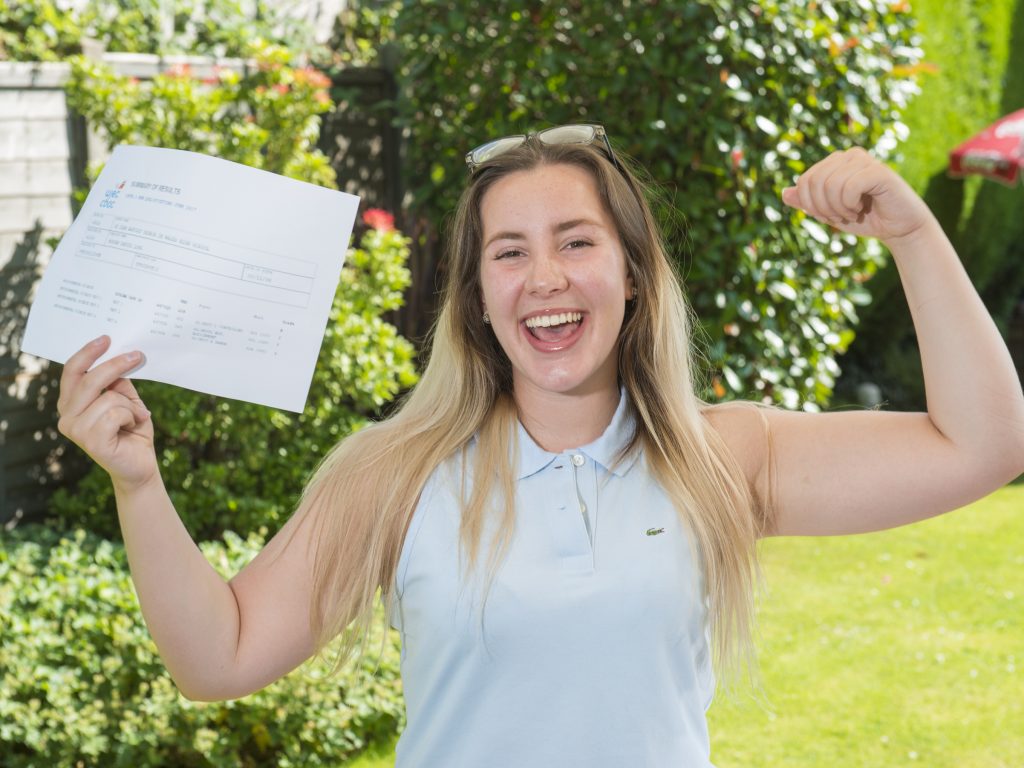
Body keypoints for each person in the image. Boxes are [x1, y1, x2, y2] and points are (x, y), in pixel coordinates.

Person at [56, 124, 1024, 767]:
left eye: (576, 241)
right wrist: (139, 485)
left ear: (634, 274)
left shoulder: (723, 458)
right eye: (508, 252)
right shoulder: (395, 476)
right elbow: (215, 657)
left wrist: (911, 230)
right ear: (477, 296)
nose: (543, 277)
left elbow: (983, 446)